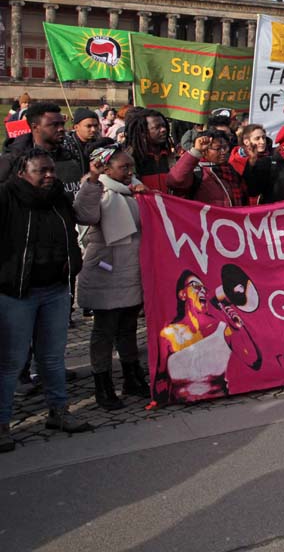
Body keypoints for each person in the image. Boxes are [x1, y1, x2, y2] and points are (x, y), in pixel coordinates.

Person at [0, 148, 91, 453]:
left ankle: (59, 412)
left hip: (55, 290)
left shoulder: (59, 200)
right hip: (16, 293)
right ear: (23, 173)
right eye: (42, 171)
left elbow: (73, 231)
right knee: (10, 362)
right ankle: (2, 424)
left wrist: (73, 260)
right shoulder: (7, 198)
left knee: (52, 357)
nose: (50, 175)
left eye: (51, 170)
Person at [75, 147, 150, 410]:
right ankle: (103, 382)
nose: (130, 173)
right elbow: (85, 215)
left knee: (128, 327)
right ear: (106, 169)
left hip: (131, 269)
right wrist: (93, 182)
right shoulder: (99, 190)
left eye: (131, 167)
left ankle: (132, 375)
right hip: (106, 270)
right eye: (123, 168)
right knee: (105, 330)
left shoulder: (136, 189)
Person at [167, 131, 247, 207]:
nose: (223, 152)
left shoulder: (231, 172)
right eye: (218, 148)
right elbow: (175, 181)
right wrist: (195, 151)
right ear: (204, 150)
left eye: (225, 147)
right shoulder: (195, 171)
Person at [123, 108, 175, 193]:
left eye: (164, 125)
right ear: (143, 132)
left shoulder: (171, 156)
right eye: (157, 127)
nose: (163, 130)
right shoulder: (129, 158)